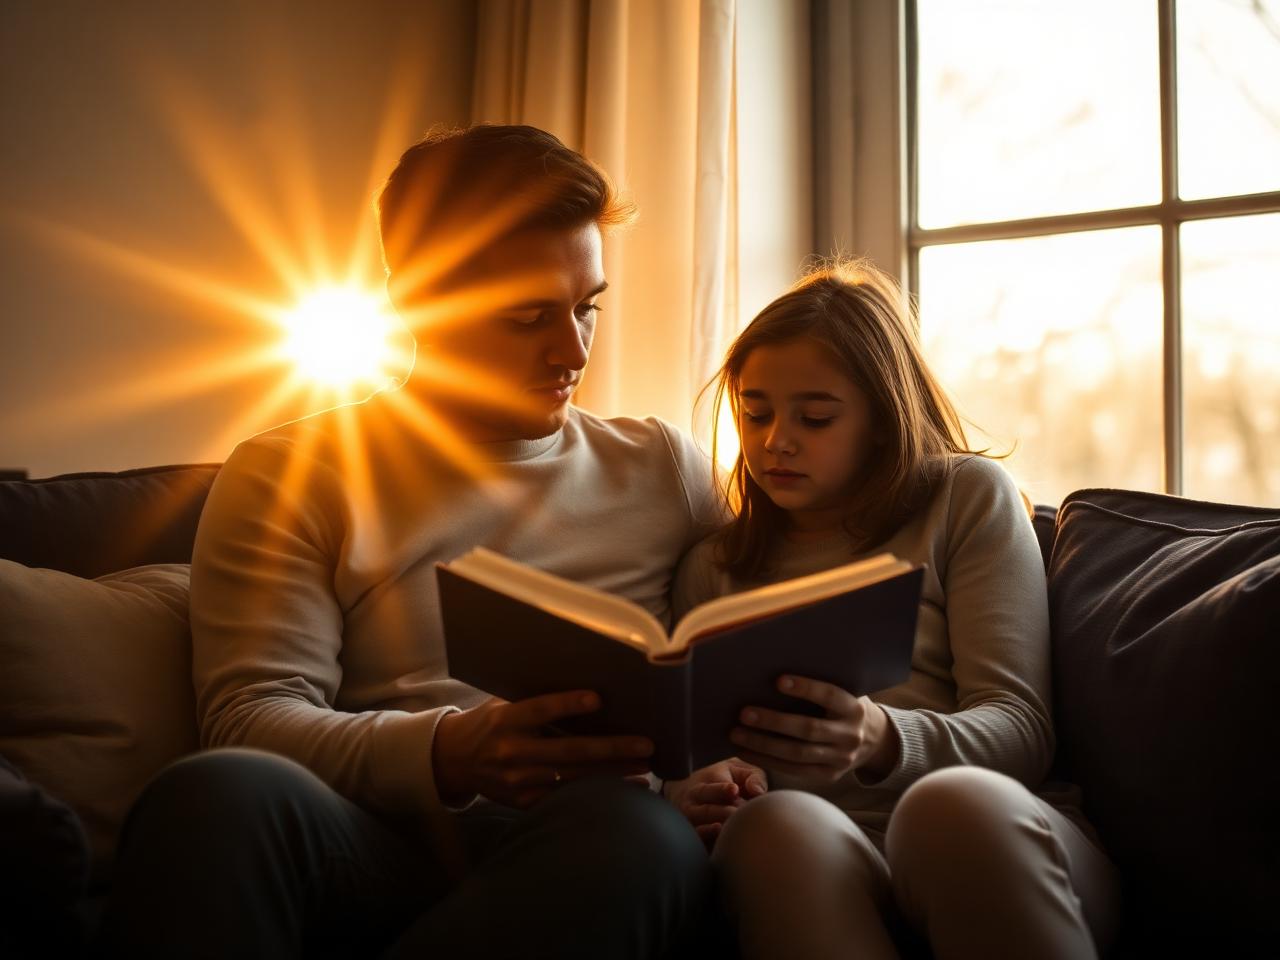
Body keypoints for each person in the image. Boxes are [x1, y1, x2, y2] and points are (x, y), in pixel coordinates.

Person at [96, 125, 725, 959]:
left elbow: (720, 670)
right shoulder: (294, 470)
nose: (572, 349)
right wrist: (447, 753)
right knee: (218, 793)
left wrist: (712, 769)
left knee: (641, 833)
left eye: (588, 308)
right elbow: (251, 717)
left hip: (593, 842)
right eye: (529, 316)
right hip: (377, 840)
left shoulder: (664, 468)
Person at [662, 261, 1121, 959]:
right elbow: (701, 755)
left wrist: (881, 738)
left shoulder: (965, 499)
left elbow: (1022, 728)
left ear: (881, 418)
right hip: (832, 861)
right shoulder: (716, 567)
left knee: (950, 807)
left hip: (997, 845)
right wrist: (697, 789)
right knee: (772, 825)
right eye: (755, 412)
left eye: (814, 417)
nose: (774, 440)